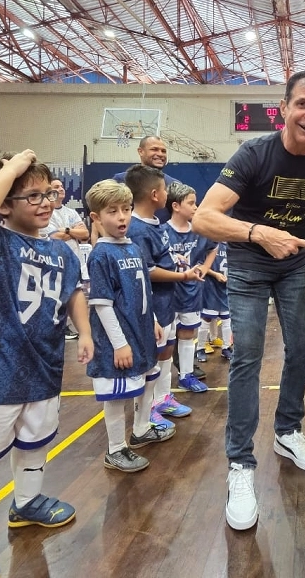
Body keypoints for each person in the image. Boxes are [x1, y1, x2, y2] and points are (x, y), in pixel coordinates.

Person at [192, 69, 305, 531]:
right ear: (284, 107)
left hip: (291, 267)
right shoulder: (254, 153)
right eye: (302, 104)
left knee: (303, 349)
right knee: (248, 358)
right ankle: (240, 464)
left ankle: (287, 431)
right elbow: (204, 218)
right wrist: (259, 232)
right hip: (248, 263)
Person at [0, 150, 93, 578]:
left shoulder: (62, 251)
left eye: (49, 193)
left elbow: (73, 293)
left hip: (43, 369)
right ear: (4, 203)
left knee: (36, 444)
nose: (46, 202)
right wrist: (9, 169)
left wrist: (83, 332)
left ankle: (27, 503)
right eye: (33, 195)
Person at [84, 179, 170, 475]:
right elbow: (102, 304)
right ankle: (116, 449)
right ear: (96, 217)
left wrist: (155, 321)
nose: (122, 217)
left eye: (126, 209)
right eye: (113, 211)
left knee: (148, 381)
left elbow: (144, 288)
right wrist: (119, 344)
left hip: (143, 331)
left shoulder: (132, 246)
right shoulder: (101, 255)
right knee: (118, 396)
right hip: (118, 338)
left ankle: (142, 429)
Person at [124, 165, 195, 427]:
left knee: (166, 350)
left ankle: (163, 398)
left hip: (167, 302)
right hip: (151, 305)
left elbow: (159, 258)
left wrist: (174, 259)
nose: (167, 193)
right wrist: (182, 276)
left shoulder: (155, 223)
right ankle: (146, 410)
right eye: (165, 189)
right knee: (151, 358)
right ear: (155, 194)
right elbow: (147, 271)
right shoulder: (136, 229)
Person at [165, 182, 215, 393]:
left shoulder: (199, 230)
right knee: (166, 341)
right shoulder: (162, 231)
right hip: (166, 293)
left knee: (187, 333)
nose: (196, 207)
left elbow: (213, 247)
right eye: (191, 203)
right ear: (176, 206)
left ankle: (186, 375)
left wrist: (205, 267)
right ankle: (162, 384)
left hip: (191, 292)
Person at [44, 178, 89, 339]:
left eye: (62, 186)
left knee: (75, 294)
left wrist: (66, 230)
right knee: (57, 296)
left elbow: (85, 234)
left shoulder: (71, 212)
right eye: (56, 187)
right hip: (55, 261)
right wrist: (72, 232)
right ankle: (58, 327)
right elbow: (55, 236)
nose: (61, 189)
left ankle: (69, 327)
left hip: (74, 261)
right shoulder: (46, 212)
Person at [113, 136, 180, 223]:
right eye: (154, 149)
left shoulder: (174, 184)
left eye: (163, 151)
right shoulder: (122, 180)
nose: (160, 154)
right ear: (140, 151)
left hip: (163, 235)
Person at [198, 241, 233, 360]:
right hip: (211, 286)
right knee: (207, 318)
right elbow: (201, 265)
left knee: (227, 319)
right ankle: (200, 348)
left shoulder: (231, 246)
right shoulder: (211, 244)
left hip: (226, 288)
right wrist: (215, 274)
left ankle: (226, 348)